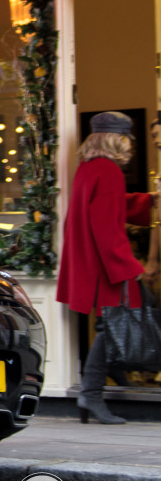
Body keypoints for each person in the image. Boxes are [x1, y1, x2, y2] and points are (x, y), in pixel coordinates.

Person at [57, 111, 153, 424]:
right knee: (114, 324)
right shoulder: (109, 170)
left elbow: (110, 206)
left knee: (110, 324)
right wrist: (130, 265)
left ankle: (106, 377)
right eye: (127, 139)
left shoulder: (89, 167)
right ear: (117, 139)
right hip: (106, 262)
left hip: (91, 260)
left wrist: (148, 200)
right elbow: (106, 226)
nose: (130, 145)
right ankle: (91, 392)